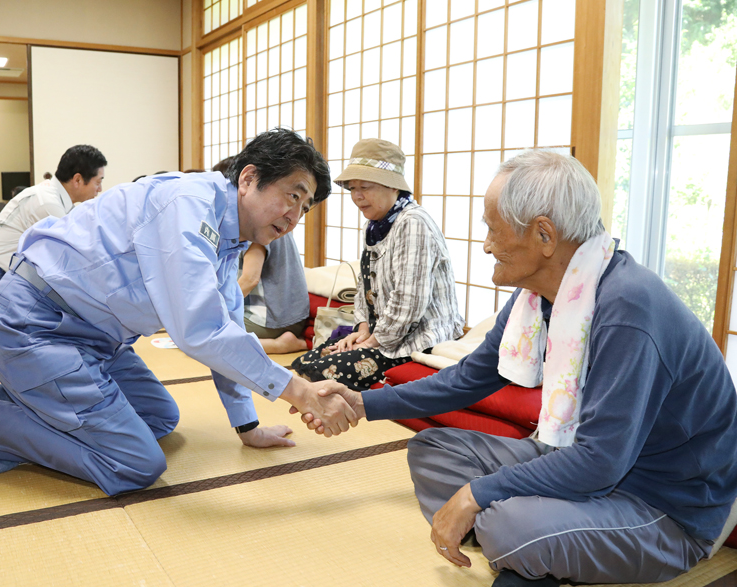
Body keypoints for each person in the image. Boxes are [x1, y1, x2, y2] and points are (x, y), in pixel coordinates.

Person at [301, 150, 737, 586]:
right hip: (572, 457)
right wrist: (362, 403)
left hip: (663, 507)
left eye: (493, 229)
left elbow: (601, 462)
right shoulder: (537, 295)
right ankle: (528, 543)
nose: (487, 244)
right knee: (433, 452)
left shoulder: (628, 308)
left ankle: (519, 539)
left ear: (544, 234)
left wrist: (477, 495)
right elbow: (469, 378)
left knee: (506, 523)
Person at [0, 128, 358, 497]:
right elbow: (200, 330)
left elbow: (228, 329)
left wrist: (248, 426)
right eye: (293, 195)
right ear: (249, 178)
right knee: (135, 464)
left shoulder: (229, 238)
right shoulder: (188, 206)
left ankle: (30, 400)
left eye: (305, 207)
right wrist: (299, 391)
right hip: (38, 325)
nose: (295, 217)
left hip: (99, 340)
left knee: (160, 417)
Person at [292, 138, 464, 390]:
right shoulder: (373, 225)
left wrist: (372, 341)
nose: (357, 197)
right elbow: (365, 285)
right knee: (304, 362)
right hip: (381, 333)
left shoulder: (413, 223)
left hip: (418, 336)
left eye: (365, 187)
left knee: (322, 372)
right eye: (352, 188)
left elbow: (410, 302)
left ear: (393, 186)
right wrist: (362, 330)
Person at [0, 145, 107, 343]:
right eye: (98, 182)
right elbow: (78, 260)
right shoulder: (49, 205)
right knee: (63, 324)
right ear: (77, 179)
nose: (100, 189)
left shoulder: (48, 193)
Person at [239, 234, 310, 354]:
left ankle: (278, 345)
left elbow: (250, 280)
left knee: (204, 333)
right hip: (294, 317)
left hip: (271, 321)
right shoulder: (276, 221)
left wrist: (216, 309)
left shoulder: (258, 227)